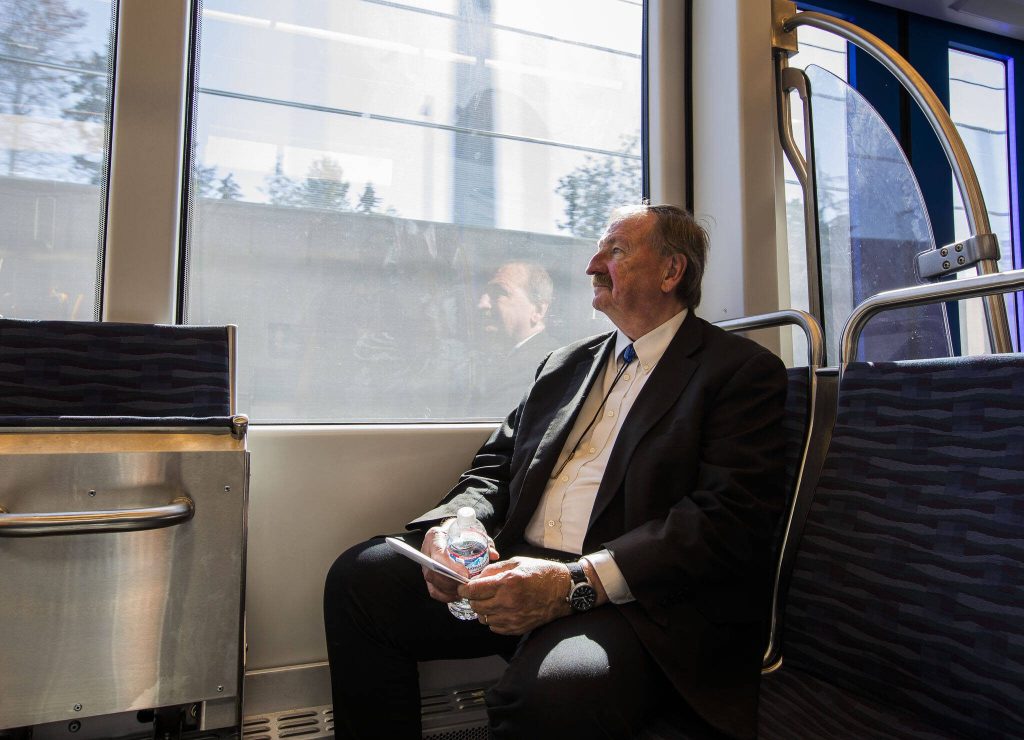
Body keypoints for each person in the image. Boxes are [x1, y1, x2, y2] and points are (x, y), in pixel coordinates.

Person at [324, 204, 788, 739]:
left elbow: (724, 519)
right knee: (360, 579)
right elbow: (493, 465)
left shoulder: (738, 372)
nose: (592, 265)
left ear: (671, 272)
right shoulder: (565, 364)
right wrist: (462, 528)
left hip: (629, 597)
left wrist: (573, 583)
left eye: (615, 251)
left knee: (546, 697)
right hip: (514, 564)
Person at [473, 260, 562, 410]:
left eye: (499, 292)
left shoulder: (544, 368)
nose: (482, 304)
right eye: (485, 293)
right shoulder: (505, 359)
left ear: (538, 310)